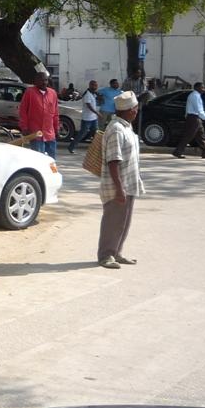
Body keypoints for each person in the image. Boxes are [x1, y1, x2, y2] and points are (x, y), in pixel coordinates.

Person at [98, 91, 145, 269]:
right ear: (130, 110)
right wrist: (119, 188)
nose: (137, 111)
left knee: (123, 222)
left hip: (129, 183)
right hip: (118, 186)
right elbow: (113, 161)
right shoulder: (116, 129)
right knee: (113, 222)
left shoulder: (126, 127)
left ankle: (116, 252)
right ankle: (106, 255)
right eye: (136, 108)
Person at [19, 70, 59, 158]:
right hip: (36, 134)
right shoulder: (30, 92)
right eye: (41, 80)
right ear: (36, 81)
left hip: (50, 134)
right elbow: (23, 111)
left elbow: (55, 113)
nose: (44, 82)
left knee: (51, 161)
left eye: (46, 80)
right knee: (39, 160)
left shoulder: (53, 93)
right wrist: (24, 127)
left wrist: (57, 128)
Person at [173, 82, 205, 159]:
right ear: (196, 88)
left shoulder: (196, 95)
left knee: (201, 136)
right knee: (188, 136)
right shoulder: (195, 96)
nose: (203, 89)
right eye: (202, 87)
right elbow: (199, 110)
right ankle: (178, 152)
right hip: (194, 118)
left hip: (195, 118)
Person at [68, 80, 100, 154]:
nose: (95, 87)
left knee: (96, 134)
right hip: (87, 119)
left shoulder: (93, 94)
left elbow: (97, 100)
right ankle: (71, 147)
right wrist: (97, 113)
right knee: (82, 134)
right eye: (93, 85)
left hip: (93, 118)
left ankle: (97, 149)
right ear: (90, 85)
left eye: (96, 85)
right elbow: (89, 106)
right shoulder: (87, 95)